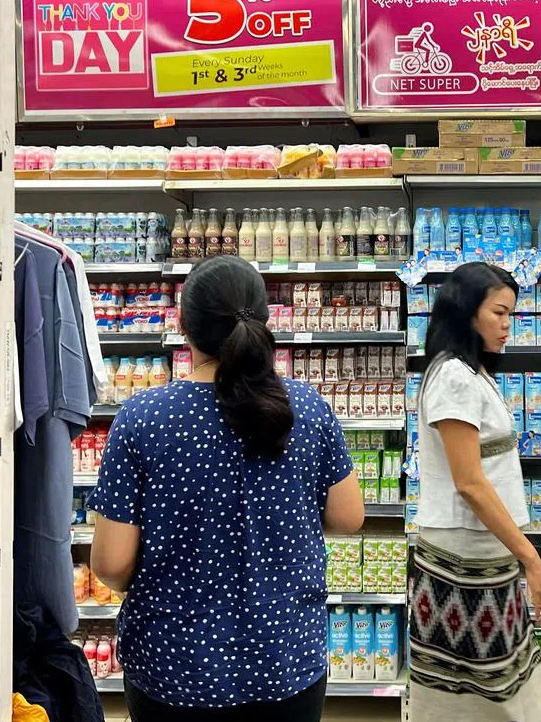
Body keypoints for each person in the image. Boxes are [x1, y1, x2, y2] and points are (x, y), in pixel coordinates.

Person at [88, 255, 365, 722]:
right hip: (284, 658)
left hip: (174, 665)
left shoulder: (142, 417)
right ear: (265, 320)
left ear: (183, 324)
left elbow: (112, 565)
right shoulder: (308, 408)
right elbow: (348, 518)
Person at [409, 262, 541, 722]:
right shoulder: (453, 377)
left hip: (484, 551)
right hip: (463, 555)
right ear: (467, 312)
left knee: (497, 682)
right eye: (499, 313)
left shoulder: (472, 373)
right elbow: (470, 482)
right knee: (476, 690)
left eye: (511, 314)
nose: (508, 325)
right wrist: (531, 558)